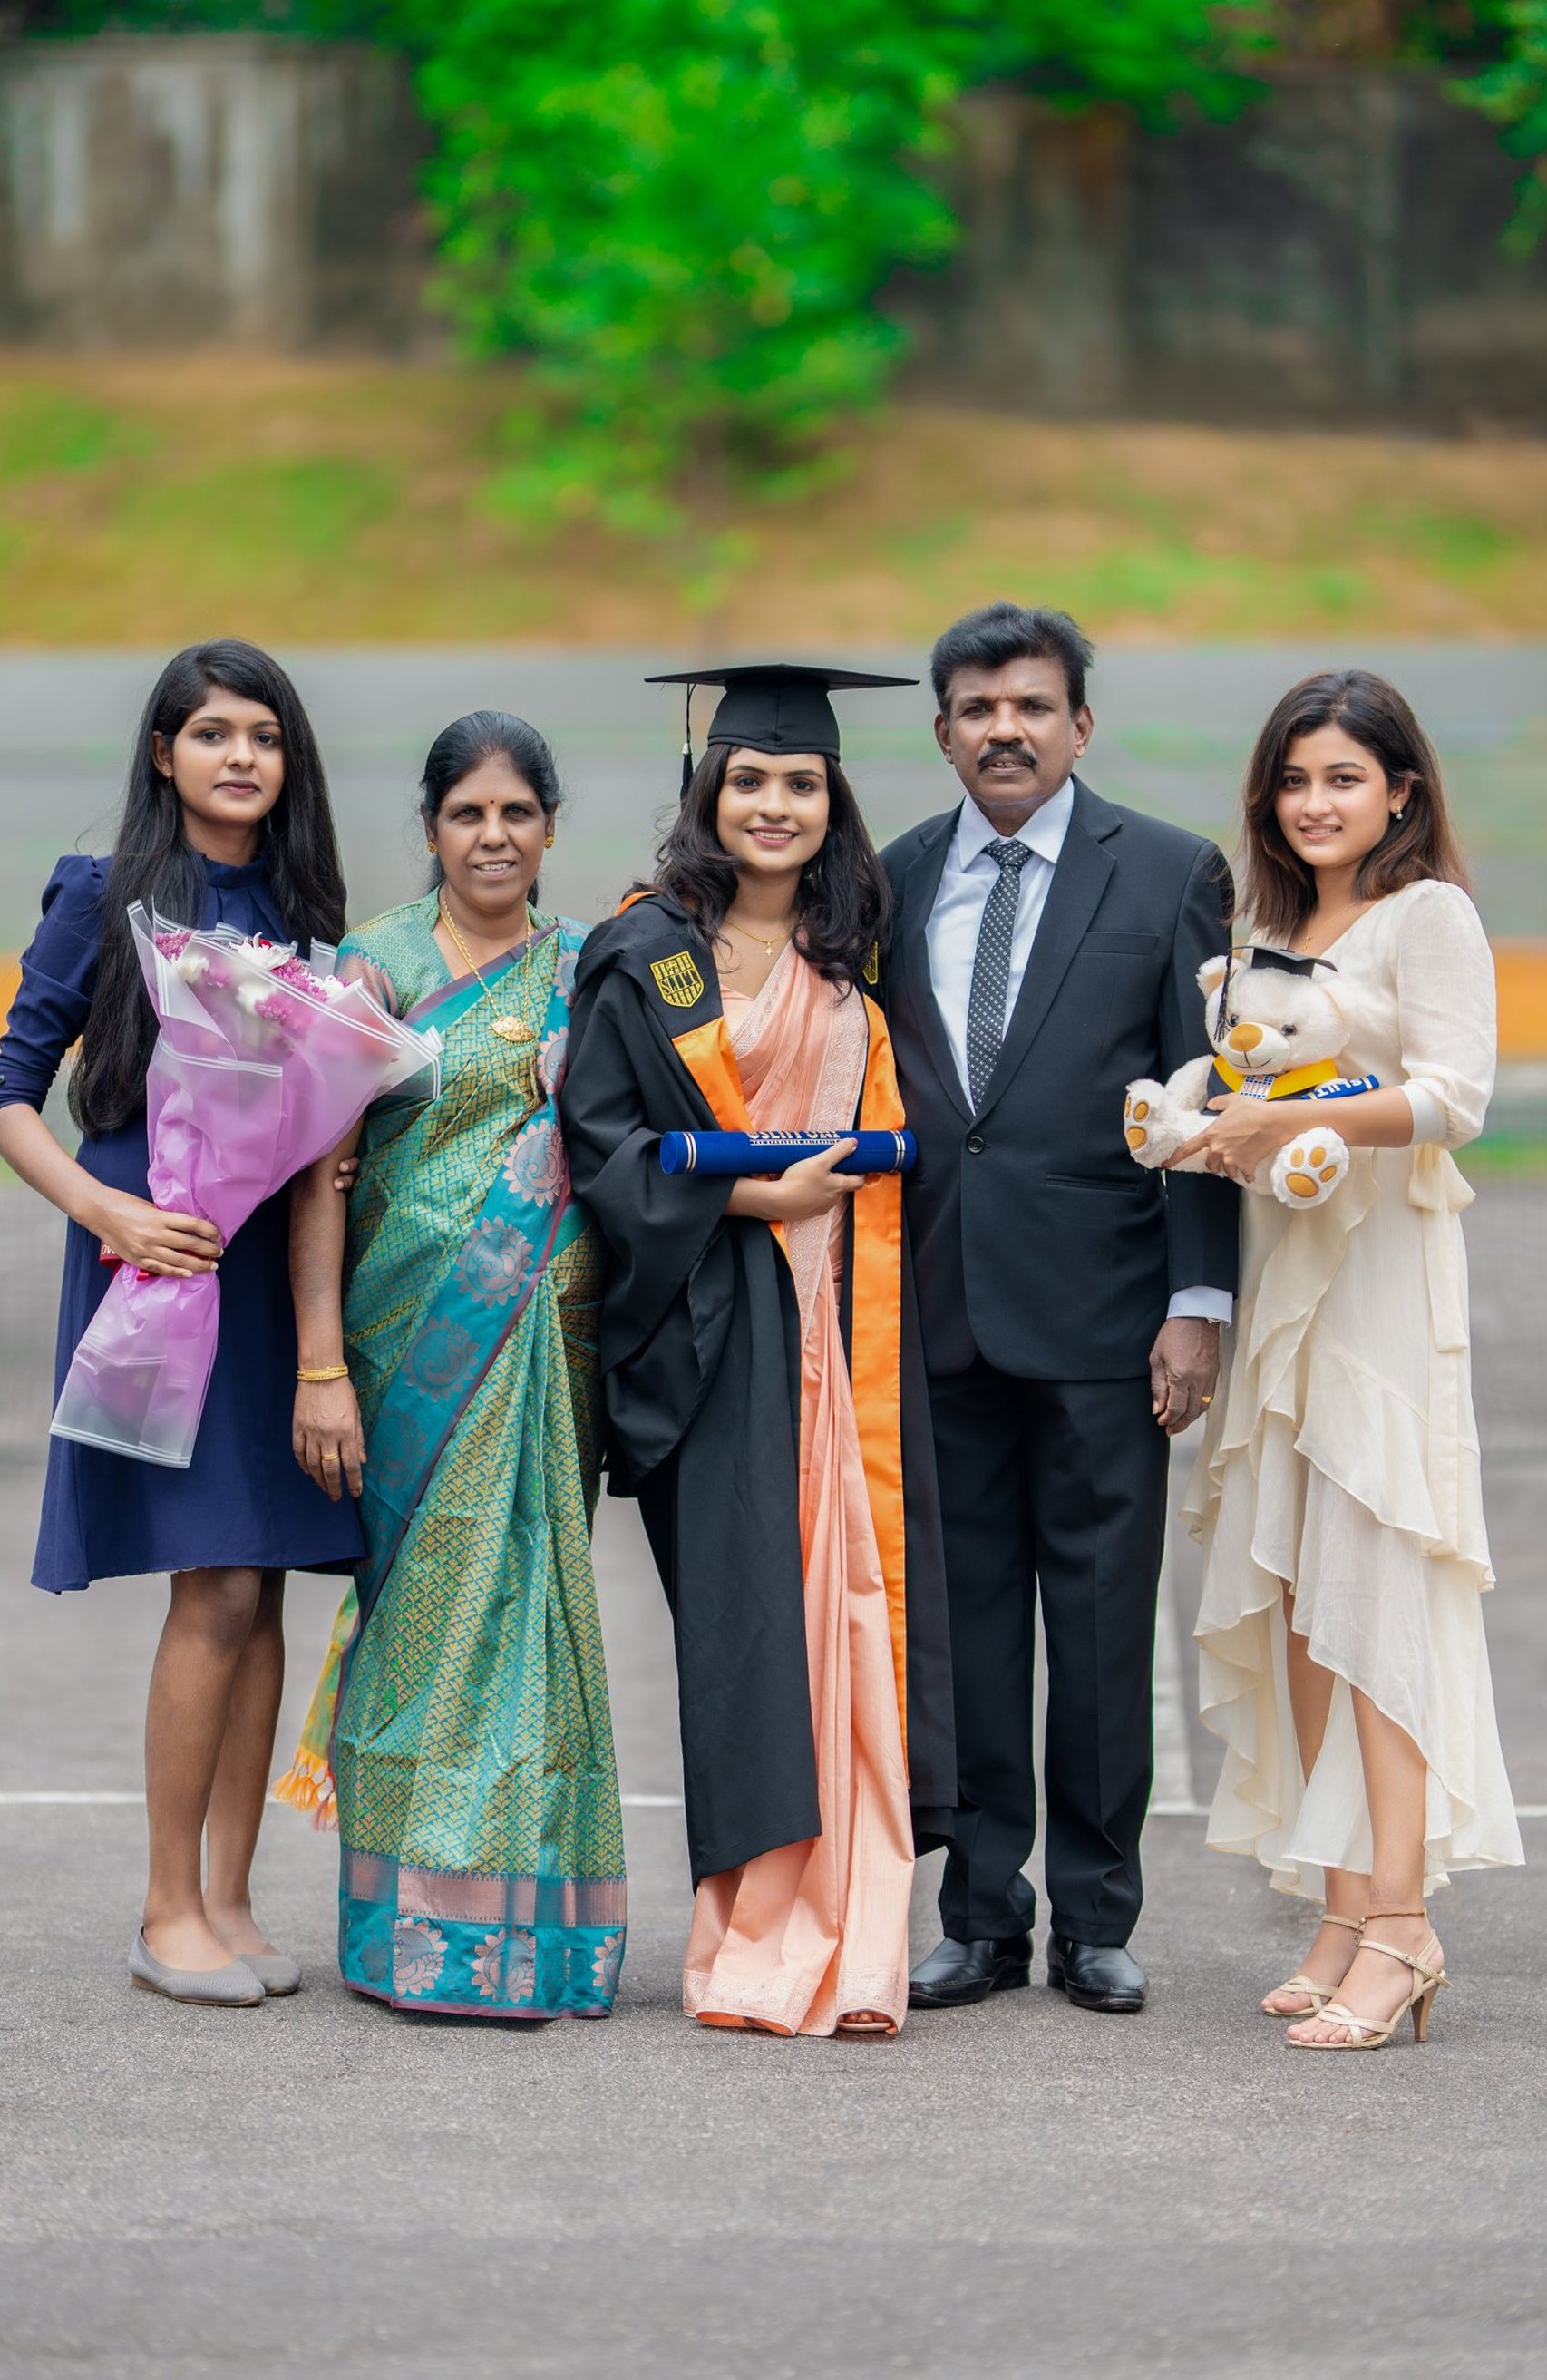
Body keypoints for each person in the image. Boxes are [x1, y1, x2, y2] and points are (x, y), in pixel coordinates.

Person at [560, 664, 955, 2038]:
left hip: (848, 1327)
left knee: (851, 1618)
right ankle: (753, 1942)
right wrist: (749, 1193)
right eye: (750, 780)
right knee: (746, 1641)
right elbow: (601, 1144)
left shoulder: (863, 947)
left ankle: (856, 1938)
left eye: (800, 782)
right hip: (711, 1328)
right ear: (708, 791)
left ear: (831, 798)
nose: (774, 805)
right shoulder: (646, 950)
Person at [0, 639, 361, 2007]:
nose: (241, 756)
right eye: (212, 734)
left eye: (263, 734)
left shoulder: (311, 914)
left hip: (268, 1274)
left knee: (258, 1583)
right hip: (161, 1260)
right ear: (164, 754)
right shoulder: (105, 893)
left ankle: (235, 1899)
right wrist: (108, 1213)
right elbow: (10, 1094)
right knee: (212, 1578)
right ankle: (163, 1909)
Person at [879, 601, 1239, 2015]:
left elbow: (1202, 1096)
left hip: (1107, 1319)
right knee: (966, 1632)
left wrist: (1196, 1298)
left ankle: (1097, 1916)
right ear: (945, 732)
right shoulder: (893, 881)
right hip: (941, 1313)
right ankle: (980, 1913)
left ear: (1080, 723)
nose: (1004, 730)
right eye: (976, 708)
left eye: (1031, 705)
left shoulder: (1164, 874)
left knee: (1098, 1628)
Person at [1179, 668, 1522, 2051]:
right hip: (1288, 1290)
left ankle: (1405, 1928)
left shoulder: (1426, 914)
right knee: (1301, 1609)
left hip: (1379, 1294)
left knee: (1375, 1606)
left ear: (1402, 792)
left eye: (1344, 778)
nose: (1315, 803)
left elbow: (1458, 1095)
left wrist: (1294, 1123)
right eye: (1295, 779)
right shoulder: (1270, 928)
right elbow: (1246, 1090)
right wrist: (1214, 1124)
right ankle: (1336, 1912)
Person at [277, 711, 626, 2021]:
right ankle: (407, 1941)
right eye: (468, 813)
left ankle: (529, 1941)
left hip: (549, 1349)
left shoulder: (594, 967)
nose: (494, 836)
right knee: (423, 1633)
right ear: (431, 827)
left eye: (518, 813)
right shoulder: (373, 967)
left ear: (548, 827)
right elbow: (317, 1174)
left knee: (529, 1629)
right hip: (407, 1348)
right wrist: (322, 1367)